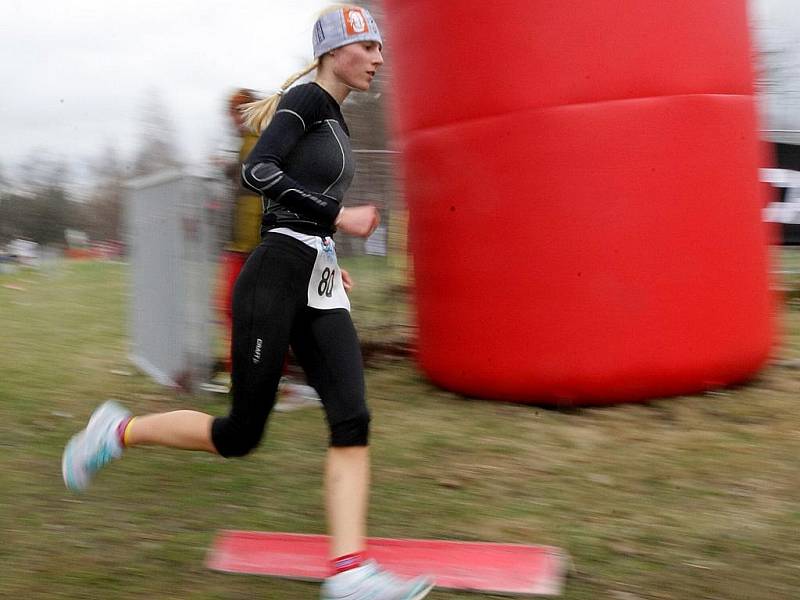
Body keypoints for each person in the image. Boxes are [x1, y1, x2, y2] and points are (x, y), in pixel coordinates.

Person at [62, 4, 434, 600]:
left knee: (352, 415)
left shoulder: (334, 117)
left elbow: (296, 205)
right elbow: (255, 172)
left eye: (380, 49)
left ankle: (350, 574)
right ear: (335, 50)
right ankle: (117, 431)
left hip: (314, 277)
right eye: (368, 48)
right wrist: (336, 216)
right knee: (240, 434)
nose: (378, 59)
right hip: (272, 279)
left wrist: (328, 255)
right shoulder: (306, 102)